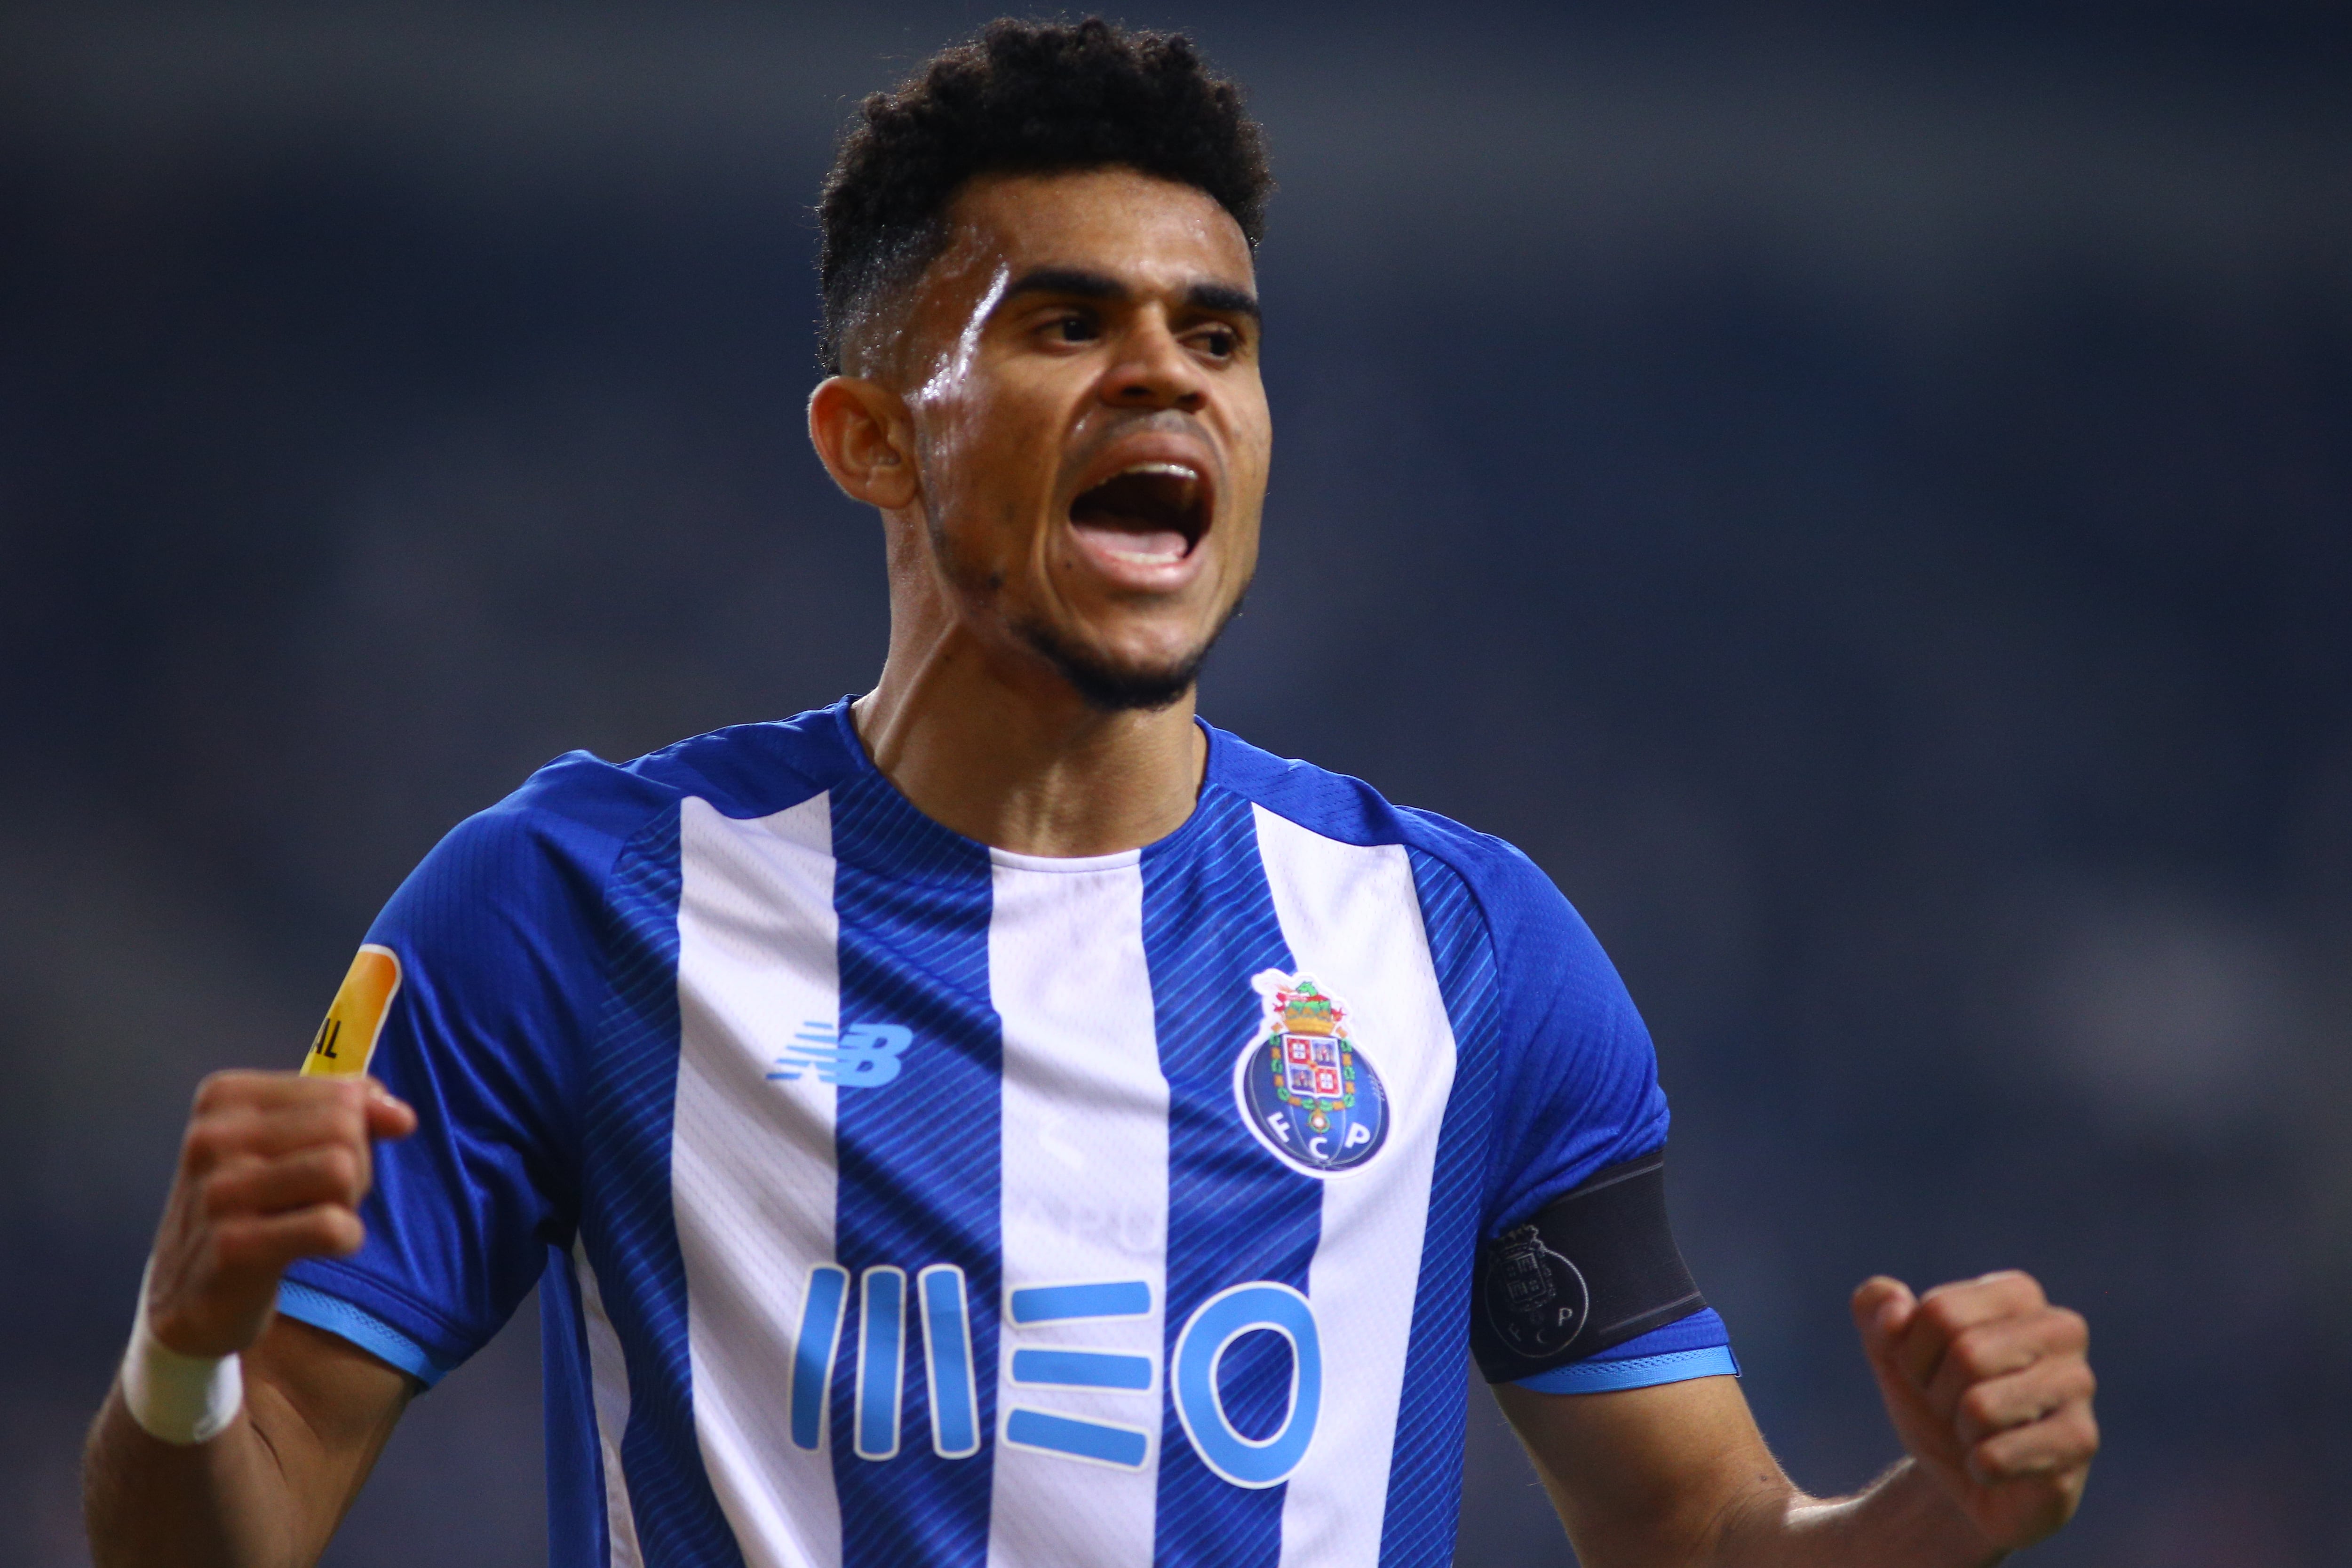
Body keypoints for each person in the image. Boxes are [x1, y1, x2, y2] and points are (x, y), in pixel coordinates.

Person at [83, 18, 2097, 1568]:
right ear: (870, 436)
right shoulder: (569, 908)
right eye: (1066, 323)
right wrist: (181, 1347)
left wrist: (1936, 1509)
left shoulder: (1465, 952)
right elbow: (227, 1522)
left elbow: (1693, 1533)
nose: (1169, 377)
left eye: (1214, 335)